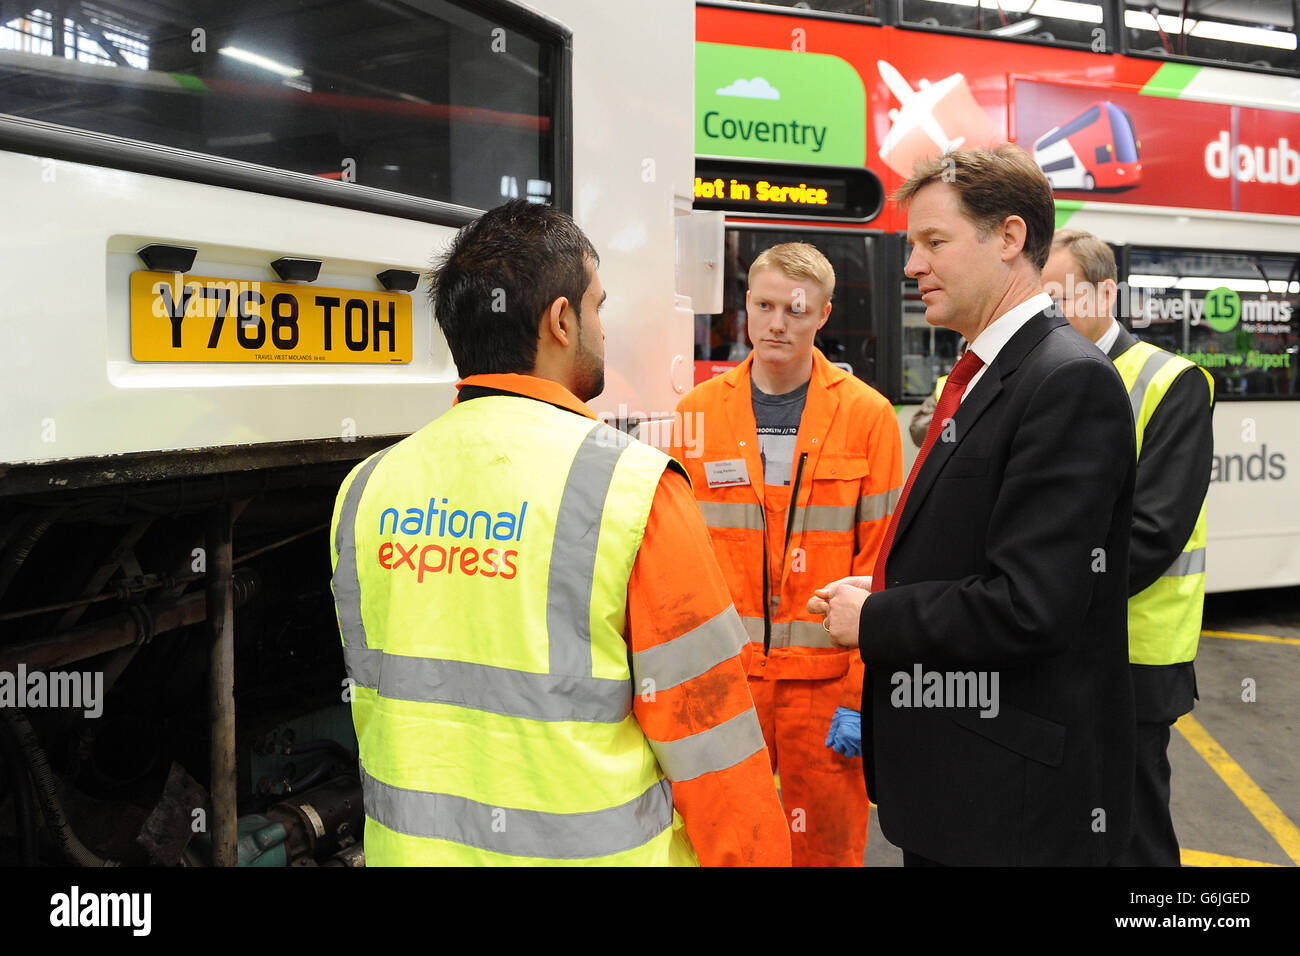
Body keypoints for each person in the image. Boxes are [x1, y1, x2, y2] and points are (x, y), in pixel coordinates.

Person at [329, 199, 791, 867]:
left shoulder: (366, 489)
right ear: (562, 319)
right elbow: (708, 733)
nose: (603, 329)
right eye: (598, 307)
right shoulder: (633, 488)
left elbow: (377, 705)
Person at [810, 144, 1137, 866]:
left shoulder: (1065, 383)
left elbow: (1032, 605)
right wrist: (889, 589)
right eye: (911, 245)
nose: (911, 266)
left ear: (1010, 239)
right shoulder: (990, 374)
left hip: (1008, 809)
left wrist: (878, 617)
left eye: (934, 241)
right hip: (962, 789)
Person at [669, 242, 903, 866]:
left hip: (824, 687)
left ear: (823, 314)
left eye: (796, 310)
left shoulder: (868, 417)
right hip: (726, 680)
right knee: (720, 847)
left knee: (824, 847)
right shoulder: (696, 414)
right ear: (744, 305)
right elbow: (675, 565)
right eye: (765, 305)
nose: (778, 323)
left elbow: (884, 569)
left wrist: (860, 698)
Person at [1042, 228, 1214, 867]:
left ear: (1105, 292)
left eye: (1060, 295)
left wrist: (1044, 598)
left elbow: (1154, 533)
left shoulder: (1172, 383)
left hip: (1135, 654)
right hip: (1055, 644)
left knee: (1134, 833)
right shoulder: (1045, 373)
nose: (1049, 310)